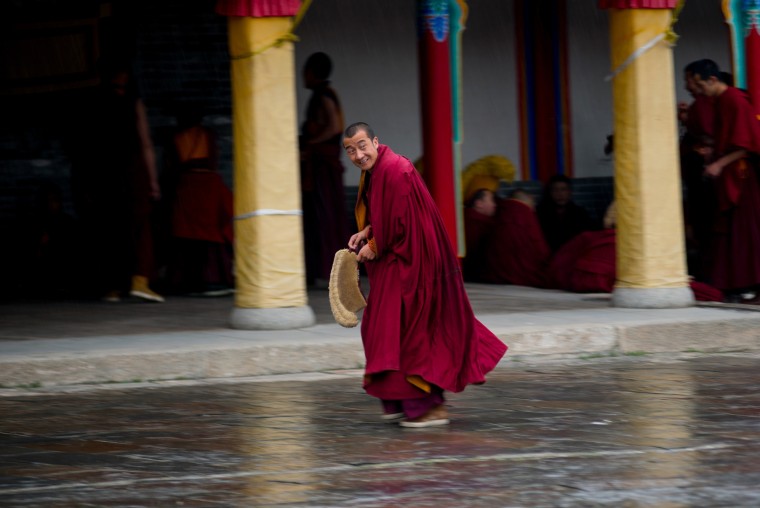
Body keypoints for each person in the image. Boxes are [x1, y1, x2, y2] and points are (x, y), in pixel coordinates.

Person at [343, 122, 508, 427]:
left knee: (410, 333)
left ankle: (429, 407)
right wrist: (367, 231)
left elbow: (402, 220)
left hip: (413, 263)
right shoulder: (377, 171)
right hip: (397, 259)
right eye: (350, 150)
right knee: (382, 329)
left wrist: (375, 245)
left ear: (375, 141)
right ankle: (398, 400)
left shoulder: (396, 169)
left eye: (362, 145)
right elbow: (388, 213)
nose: (358, 154)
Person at [74, 59, 163, 302]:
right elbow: (146, 144)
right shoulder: (133, 103)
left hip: (105, 171)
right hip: (131, 169)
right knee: (140, 225)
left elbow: (85, 147)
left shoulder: (94, 102)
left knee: (110, 227)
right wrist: (153, 181)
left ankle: (112, 287)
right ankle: (139, 280)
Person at [691, 59, 760, 302]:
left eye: (699, 84)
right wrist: (713, 154)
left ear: (712, 79)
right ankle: (737, 282)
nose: (698, 91)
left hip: (740, 175)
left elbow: (747, 144)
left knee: (745, 231)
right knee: (731, 231)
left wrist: (719, 164)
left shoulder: (734, 99)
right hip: (728, 172)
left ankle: (750, 282)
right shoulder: (719, 101)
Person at [165, 103, 234, 295]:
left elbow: (172, 167)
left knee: (186, 233)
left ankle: (187, 281)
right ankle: (215, 279)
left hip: (187, 185)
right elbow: (214, 161)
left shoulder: (176, 138)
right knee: (212, 231)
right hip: (209, 184)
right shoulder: (208, 135)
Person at [300, 52, 350, 287]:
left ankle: (327, 270)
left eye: (305, 72)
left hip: (323, 168)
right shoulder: (322, 95)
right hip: (318, 165)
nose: (303, 77)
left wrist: (313, 143)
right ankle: (320, 270)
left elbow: (335, 127)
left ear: (312, 73)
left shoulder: (325, 96)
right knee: (318, 217)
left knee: (324, 217)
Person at [480, 189, 551, 288]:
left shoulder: (500, 213)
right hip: (523, 276)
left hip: (495, 275)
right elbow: (539, 247)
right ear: (528, 202)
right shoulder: (525, 214)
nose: (534, 210)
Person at [536, 174, 594, 253]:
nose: (560, 194)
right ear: (550, 193)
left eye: (563, 190)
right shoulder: (540, 213)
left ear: (570, 192)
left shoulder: (579, 213)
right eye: (555, 190)